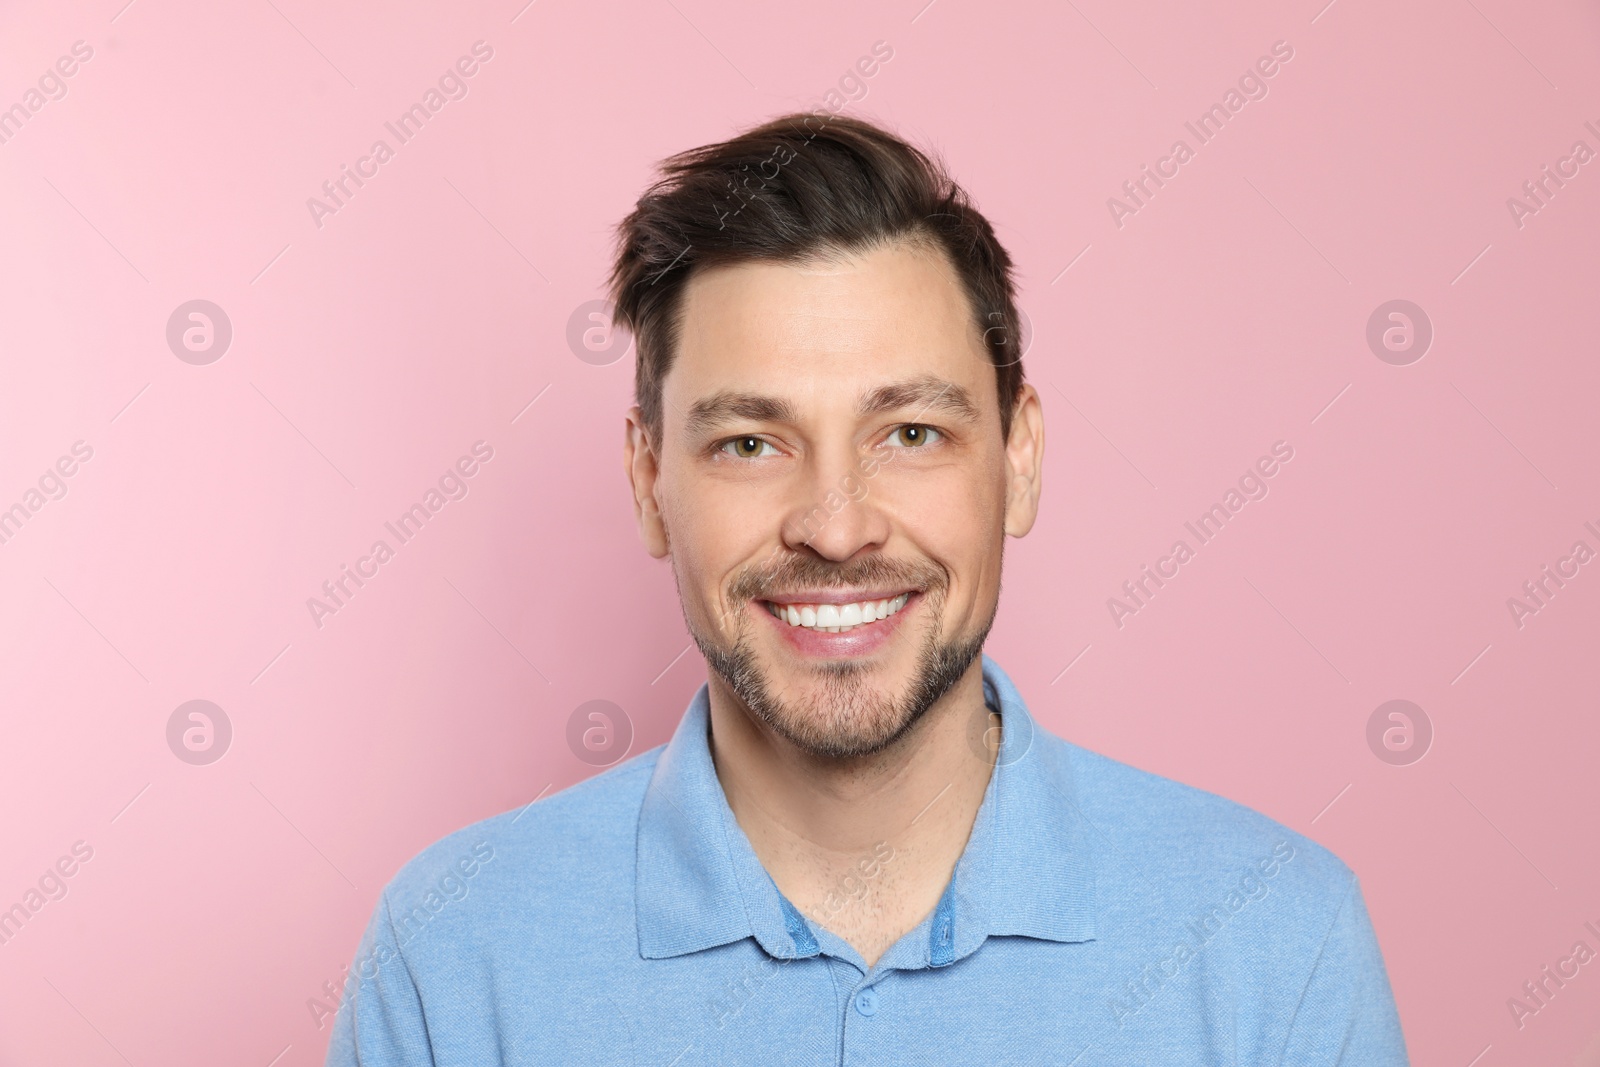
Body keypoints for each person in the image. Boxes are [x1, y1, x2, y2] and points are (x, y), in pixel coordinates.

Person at [325, 111, 1409, 1065]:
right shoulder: (452, 956)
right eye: (751, 442)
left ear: (1018, 457)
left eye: (911, 432)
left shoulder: (1277, 940)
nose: (836, 526)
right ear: (649, 481)